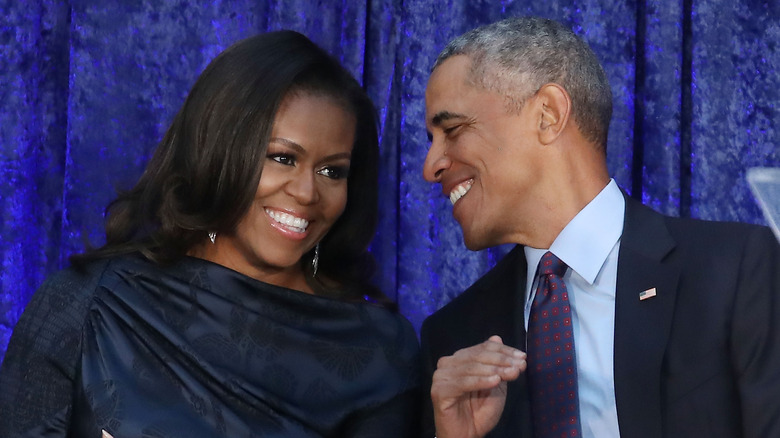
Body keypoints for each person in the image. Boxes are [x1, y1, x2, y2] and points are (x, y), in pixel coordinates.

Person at [0, 30, 420, 438]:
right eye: (283, 158)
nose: (307, 192)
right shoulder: (89, 303)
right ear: (217, 152)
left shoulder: (377, 352)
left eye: (332, 171)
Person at [419, 16, 780, 438]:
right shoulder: (454, 337)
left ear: (548, 115)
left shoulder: (734, 271)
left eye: (453, 130)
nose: (431, 166)